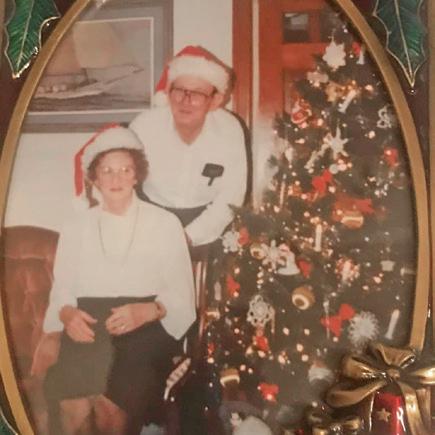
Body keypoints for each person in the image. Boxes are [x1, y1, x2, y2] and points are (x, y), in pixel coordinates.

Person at [31, 125, 196, 434]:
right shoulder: (76, 226)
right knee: (72, 405)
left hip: (147, 327)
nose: (116, 178)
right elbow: (63, 288)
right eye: (107, 171)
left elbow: (182, 297)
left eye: (125, 170)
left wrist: (148, 311)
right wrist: (67, 315)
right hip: (88, 323)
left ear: (137, 176)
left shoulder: (165, 223)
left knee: (111, 408)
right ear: (94, 178)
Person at [129, 45, 248, 248]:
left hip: (211, 222)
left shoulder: (230, 129)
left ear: (215, 100)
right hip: (151, 217)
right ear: (168, 93)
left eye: (197, 94)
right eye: (179, 91)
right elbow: (122, 180)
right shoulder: (144, 126)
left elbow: (231, 196)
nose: (186, 101)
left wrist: (189, 236)